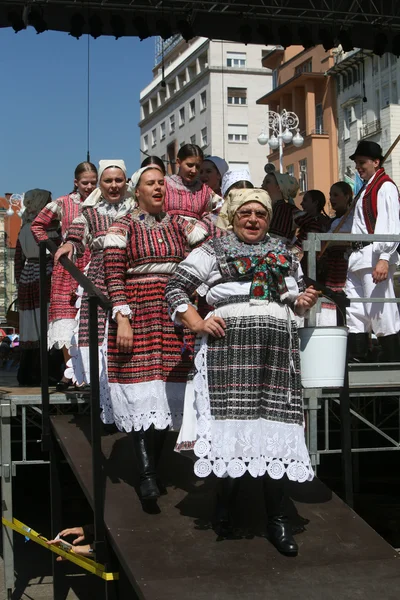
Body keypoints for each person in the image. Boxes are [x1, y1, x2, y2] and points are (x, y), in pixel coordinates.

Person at [165, 188, 318, 555]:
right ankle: (225, 504)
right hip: (229, 350)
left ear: (268, 218)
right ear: (232, 217)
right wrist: (198, 323)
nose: (253, 219)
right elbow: (175, 287)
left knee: (276, 424)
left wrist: (301, 302)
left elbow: (292, 301)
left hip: (277, 349)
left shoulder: (284, 251)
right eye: (245, 213)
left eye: (260, 214)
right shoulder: (213, 250)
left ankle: (278, 519)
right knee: (233, 424)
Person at [103, 166, 207, 502]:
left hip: (174, 313)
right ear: (138, 190)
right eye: (151, 183)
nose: (159, 187)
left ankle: (154, 470)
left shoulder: (180, 224)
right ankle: (147, 476)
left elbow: (213, 245)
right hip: (138, 311)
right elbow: (114, 276)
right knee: (142, 392)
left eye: (162, 182)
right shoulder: (123, 226)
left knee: (168, 394)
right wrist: (122, 318)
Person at [54, 160, 131, 413]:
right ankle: (103, 408)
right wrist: (70, 246)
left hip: (129, 276)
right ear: (100, 184)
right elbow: (76, 234)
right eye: (108, 181)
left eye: (118, 180)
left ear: (126, 182)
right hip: (99, 276)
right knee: (99, 340)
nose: (113, 185)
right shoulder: (90, 212)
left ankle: (128, 405)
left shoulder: (135, 208)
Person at [31, 162, 98, 391]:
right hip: (69, 263)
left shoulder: (101, 202)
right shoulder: (63, 203)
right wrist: (53, 248)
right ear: (76, 182)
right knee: (66, 318)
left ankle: (89, 372)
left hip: (94, 260)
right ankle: (70, 372)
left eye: (92, 181)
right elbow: (37, 225)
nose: (89, 186)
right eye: (85, 182)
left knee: (90, 319)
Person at [345, 140, 400, 362]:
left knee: (381, 311)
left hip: (374, 256)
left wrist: (384, 258)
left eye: (362, 162)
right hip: (358, 257)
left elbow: (390, 224)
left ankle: (393, 366)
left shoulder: (385, 186)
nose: (358, 167)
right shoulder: (367, 187)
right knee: (355, 309)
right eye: (357, 163)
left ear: (376, 162)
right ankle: (359, 357)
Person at [15, 189, 59, 386]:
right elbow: (56, 248)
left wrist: (19, 280)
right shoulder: (46, 226)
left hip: (27, 276)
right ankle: (47, 372)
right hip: (45, 273)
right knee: (47, 321)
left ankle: (26, 372)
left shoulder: (23, 227)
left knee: (29, 325)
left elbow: (18, 259)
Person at [317, 182, 353, 326]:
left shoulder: (354, 218)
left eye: (336, 195)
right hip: (332, 270)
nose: (332, 199)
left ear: (347, 196)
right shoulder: (333, 221)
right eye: (331, 195)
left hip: (345, 270)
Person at [165, 144, 219, 221]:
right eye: (190, 165)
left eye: (197, 166)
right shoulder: (165, 185)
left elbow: (223, 210)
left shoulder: (204, 190)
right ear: (178, 162)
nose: (194, 170)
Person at [261, 169, 301, 243]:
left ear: (279, 187)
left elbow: (312, 223)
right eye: (263, 183)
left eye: (267, 182)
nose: (262, 186)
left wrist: (297, 247)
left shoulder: (289, 210)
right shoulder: (261, 208)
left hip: (281, 253)